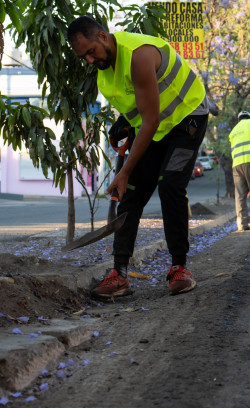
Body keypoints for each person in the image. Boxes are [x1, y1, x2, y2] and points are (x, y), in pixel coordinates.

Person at [67, 16, 211, 298]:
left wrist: (124, 170)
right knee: (130, 193)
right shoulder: (105, 73)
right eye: (82, 56)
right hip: (156, 128)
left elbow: (151, 120)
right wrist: (125, 124)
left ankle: (179, 268)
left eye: (91, 51)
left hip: (188, 119)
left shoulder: (139, 55)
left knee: (170, 184)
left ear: (104, 37)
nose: (89, 60)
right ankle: (119, 274)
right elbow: (141, 114)